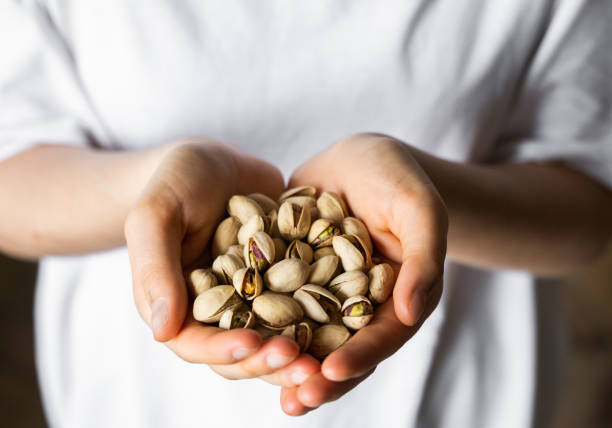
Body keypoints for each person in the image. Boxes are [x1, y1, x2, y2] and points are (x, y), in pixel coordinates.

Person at [1, 1, 611, 427]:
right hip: (140, 403)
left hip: (457, 396)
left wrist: (429, 197)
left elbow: (588, 205)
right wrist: (150, 191)